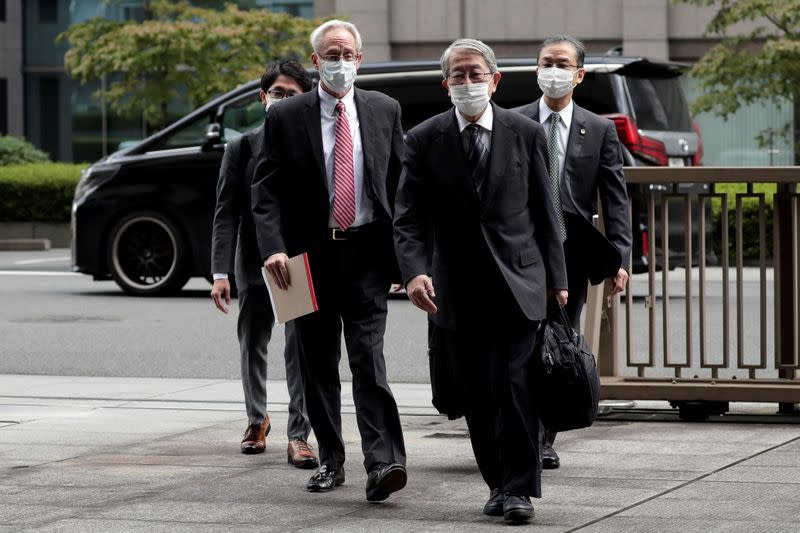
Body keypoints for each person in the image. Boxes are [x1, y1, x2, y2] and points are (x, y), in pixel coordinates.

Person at [394, 38, 568, 524]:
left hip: (520, 281)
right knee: (476, 391)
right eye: (458, 75)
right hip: (456, 287)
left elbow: (545, 210)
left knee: (515, 385)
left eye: (476, 74)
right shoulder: (424, 138)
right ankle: (496, 482)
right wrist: (413, 272)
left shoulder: (526, 133)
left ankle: (519, 490)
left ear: (495, 80)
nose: (467, 83)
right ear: (445, 83)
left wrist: (557, 277)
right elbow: (408, 218)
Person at [252, 20, 407, 502]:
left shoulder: (384, 109)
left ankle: (383, 463)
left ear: (359, 59)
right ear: (316, 61)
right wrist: (274, 246)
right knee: (316, 364)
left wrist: (406, 262)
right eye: (330, 54)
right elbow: (266, 191)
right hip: (304, 259)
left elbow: (400, 186)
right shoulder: (286, 116)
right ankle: (332, 461)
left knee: (369, 362)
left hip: (366, 254)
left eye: (348, 53)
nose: (340, 61)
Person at [513, 34, 633, 470]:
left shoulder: (599, 129)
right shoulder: (513, 121)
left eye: (563, 64)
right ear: (536, 68)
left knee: (556, 345)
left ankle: (544, 437)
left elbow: (615, 198)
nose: (554, 71)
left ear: (579, 74)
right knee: (519, 345)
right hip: (519, 254)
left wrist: (619, 257)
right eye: (547, 62)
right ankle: (516, 429)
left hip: (571, 255)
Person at [210, 59, 319, 469]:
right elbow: (226, 213)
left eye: (293, 95)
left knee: (299, 350)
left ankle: (299, 434)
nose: (284, 100)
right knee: (252, 343)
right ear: (263, 97)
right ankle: (257, 420)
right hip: (254, 263)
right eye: (278, 93)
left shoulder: (314, 146)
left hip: (296, 263)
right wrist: (220, 273)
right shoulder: (242, 147)